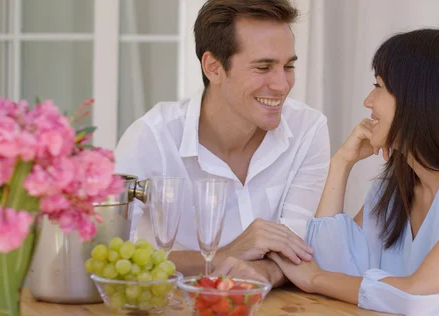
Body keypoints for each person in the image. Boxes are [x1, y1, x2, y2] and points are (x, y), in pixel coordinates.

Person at [267, 28, 439, 315]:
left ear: (421, 98)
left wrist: (315, 279)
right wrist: (341, 163)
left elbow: (417, 293)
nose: (368, 101)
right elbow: (329, 264)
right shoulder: (395, 188)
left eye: (379, 86)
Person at [114, 0, 330, 286]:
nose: (282, 85)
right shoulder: (151, 138)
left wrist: (265, 272)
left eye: (288, 66)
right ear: (213, 67)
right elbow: (108, 257)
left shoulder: (308, 130)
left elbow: (297, 251)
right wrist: (226, 255)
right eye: (264, 67)